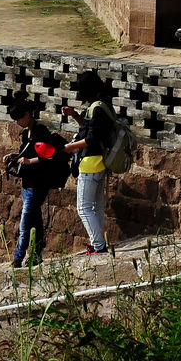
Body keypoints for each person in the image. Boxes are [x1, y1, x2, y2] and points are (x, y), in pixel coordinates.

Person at [1, 91, 63, 268]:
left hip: (38, 183)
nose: (18, 123)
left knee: (25, 222)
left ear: (27, 115)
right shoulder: (26, 134)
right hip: (27, 183)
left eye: (19, 119)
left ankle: (18, 257)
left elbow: (50, 155)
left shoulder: (40, 132)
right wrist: (14, 156)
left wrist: (29, 161)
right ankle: (36, 254)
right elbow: (25, 152)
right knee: (36, 220)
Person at [61, 70, 114, 255]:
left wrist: (69, 147)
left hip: (90, 162)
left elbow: (91, 138)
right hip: (101, 163)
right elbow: (91, 128)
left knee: (83, 208)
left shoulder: (97, 108)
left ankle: (99, 246)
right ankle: (99, 244)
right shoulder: (104, 103)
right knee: (96, 206)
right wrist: (75, 115)